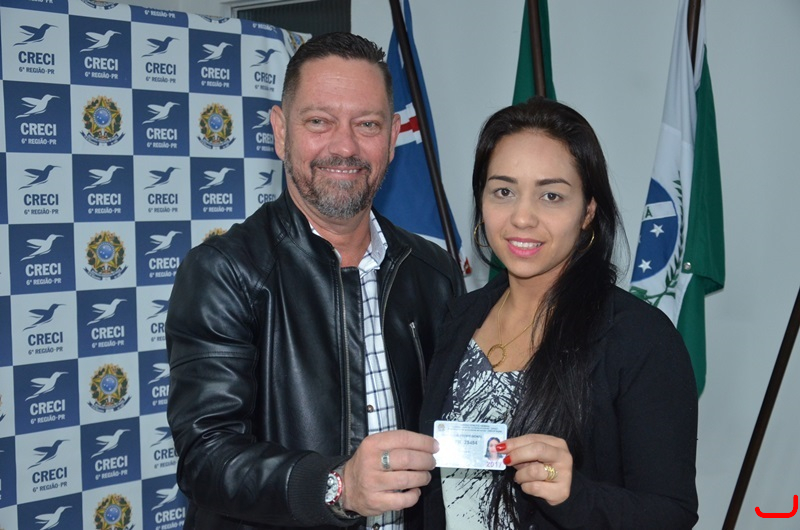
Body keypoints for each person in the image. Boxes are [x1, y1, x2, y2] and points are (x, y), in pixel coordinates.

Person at [166, 32, 465, 530]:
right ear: (281, 132)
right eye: (319, 121)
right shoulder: (224, 272)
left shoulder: (435, 273)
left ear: (393, 136)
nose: (345, 146)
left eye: (366, 124)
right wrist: (338, 485)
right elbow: (206, 458)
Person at [419, 97, 698, 529]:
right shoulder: (456, 317)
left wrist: (574, 495)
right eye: (504, 191)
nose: (522, 217)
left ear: (588, 211)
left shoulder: (639, 338)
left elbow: (672, 514)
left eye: (551, 196)